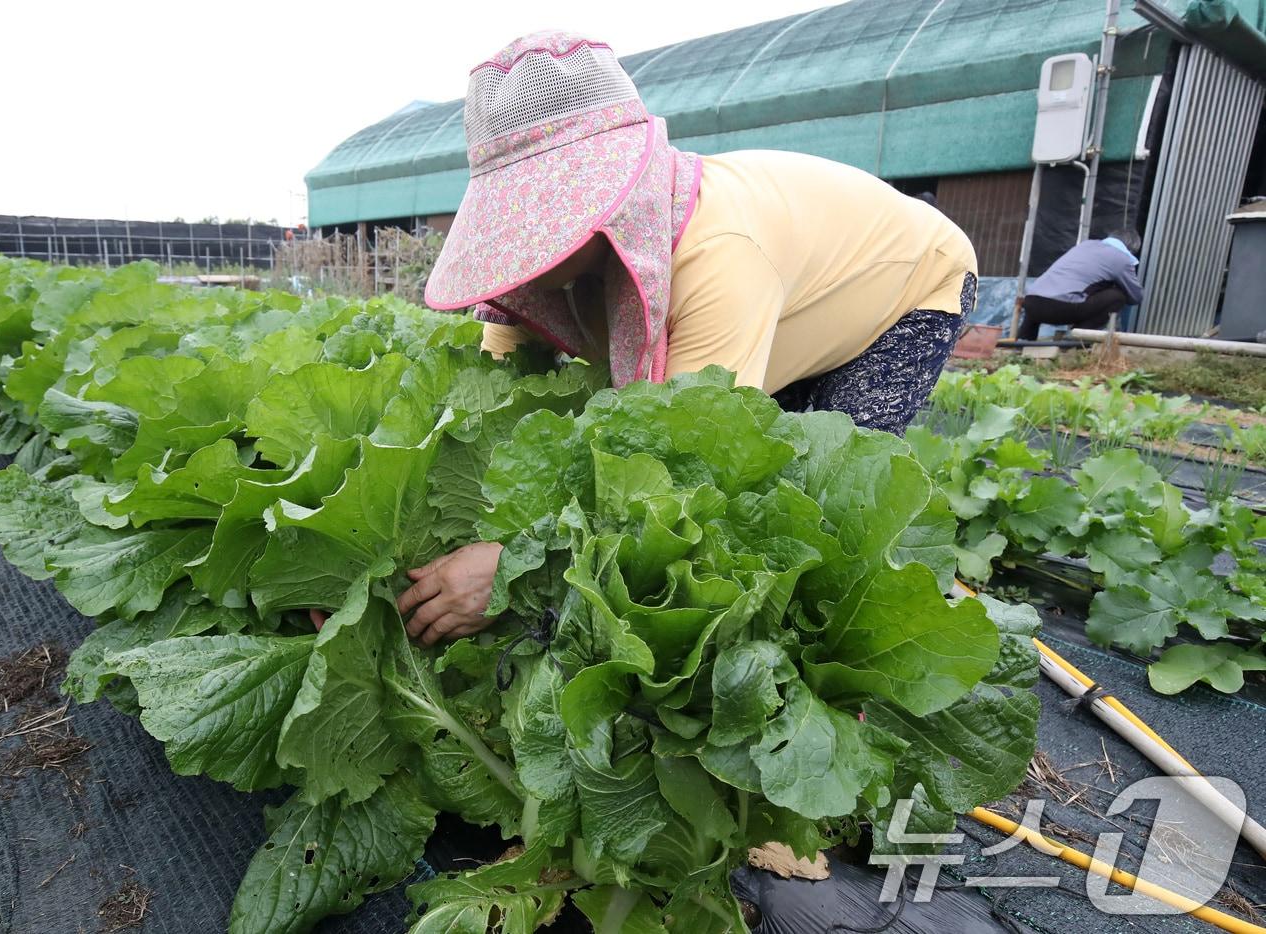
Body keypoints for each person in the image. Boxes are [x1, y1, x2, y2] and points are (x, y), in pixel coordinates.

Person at [387, 31, 980, 647]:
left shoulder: (721, 255)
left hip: (906, 286)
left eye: (540, 224)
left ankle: (826, 667)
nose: (525, 249)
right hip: (788, 291)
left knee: (819, 513)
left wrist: (513, 566)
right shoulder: (571, 267)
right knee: (752, 471)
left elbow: (688, 467)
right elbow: (493, 405)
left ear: (608, 200)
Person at [1016, 229, 1143, 340]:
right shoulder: (1122, 258)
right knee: (1117, 296)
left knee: (1044, 291)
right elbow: (1135, 297)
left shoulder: (1085, 245)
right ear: (1131, 248)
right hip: (1059, 308)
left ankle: (1024, 340)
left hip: (1031, 303)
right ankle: (1077, 338)